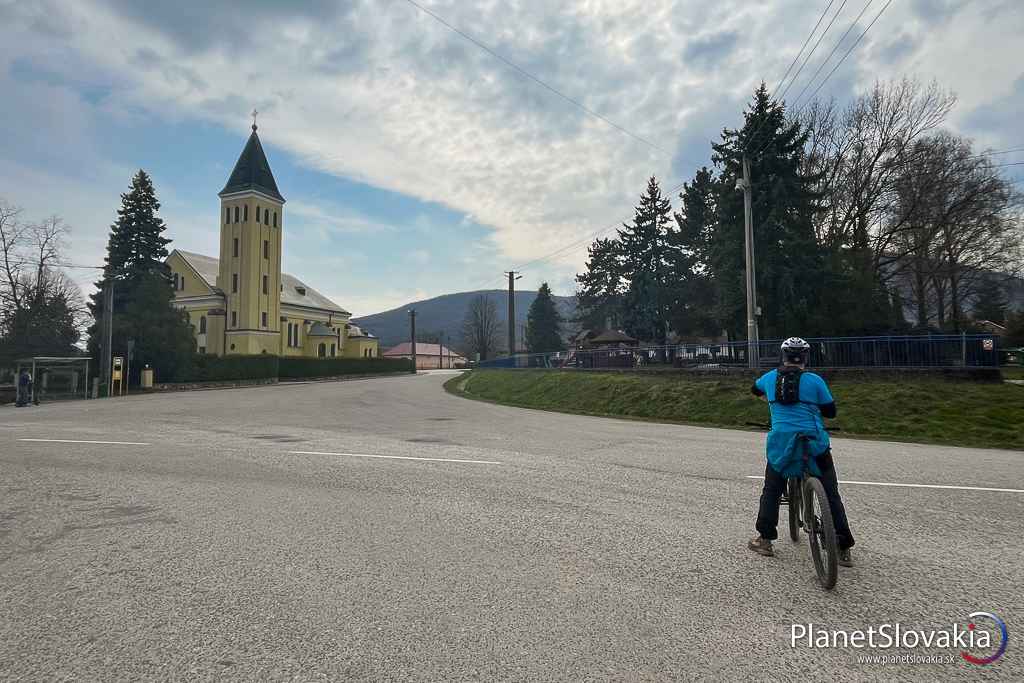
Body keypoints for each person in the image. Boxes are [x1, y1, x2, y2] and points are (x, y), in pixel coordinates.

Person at [747, 337, 855, 567]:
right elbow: (831, 412)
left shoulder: (769, 378)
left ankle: (765, 539)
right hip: (813, 443)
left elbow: (755, 390)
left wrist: (771, 402)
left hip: (782, 445)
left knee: (772, 490)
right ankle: (842, 545)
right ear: (805, 357)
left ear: (783, 356)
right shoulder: (814, 380)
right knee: (831, 493)